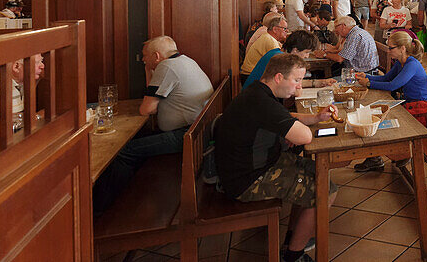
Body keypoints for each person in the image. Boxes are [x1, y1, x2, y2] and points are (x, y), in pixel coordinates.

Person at [215, 53, 335, 262]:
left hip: (251, 167)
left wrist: (316, 117)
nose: (299, 87)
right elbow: (305, 137)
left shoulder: (258, 93)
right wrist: (296, 131)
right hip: (248, 180)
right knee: (325, 189)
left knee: (316, 174)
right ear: (279, 77)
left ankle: (294, 237)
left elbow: (286, 118)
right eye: (296, 80)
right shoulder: (262, 102)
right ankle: (293, 255)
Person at [94, 37, 212, 212]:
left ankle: (102, 209)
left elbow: (147, 109)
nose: (143, 60)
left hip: (185, 135)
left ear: (156, 56)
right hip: (196, 131)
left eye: (144, 56)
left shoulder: (167, 67)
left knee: (124, 153)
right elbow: (151, 100)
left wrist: (150, 70)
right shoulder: (185, 60)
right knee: (133, 143)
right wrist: (149, 70)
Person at [352, 29, 427, 173]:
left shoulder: (411, 64)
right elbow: (386, 78)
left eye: (391, 48)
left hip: (421, 107)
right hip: (409, 102)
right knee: (377, 115)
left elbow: (393, 85)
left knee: (380, 118)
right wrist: (367, 77)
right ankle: (376, 157)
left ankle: (392, 154)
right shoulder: (400, 62)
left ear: (402, 48)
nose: (388, 51)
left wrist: (369, 84)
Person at [0, 53, 44, 139]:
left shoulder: (20, 79)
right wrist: (38, 117)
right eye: (37, 63)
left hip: (8, 144)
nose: (42, 66)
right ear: (16, 67)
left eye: (42, 61)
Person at [244, 30, 320, 88]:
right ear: (295, 50)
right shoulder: (280, 59)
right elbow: (292, 83)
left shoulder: (277, 52)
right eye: (306, 52)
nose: (307, 56)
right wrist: (319, 82)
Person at [242, 14, 289, 81]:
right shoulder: (270, 40)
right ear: (275, 29)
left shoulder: (268, 37)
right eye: (284, 29)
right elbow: (280, 63)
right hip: (251, 76)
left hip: (252, 74)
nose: (287, 31)